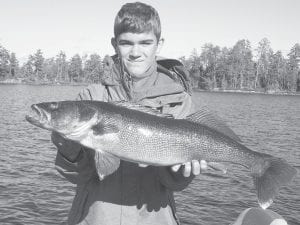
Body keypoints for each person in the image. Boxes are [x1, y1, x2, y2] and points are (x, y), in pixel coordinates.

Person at [51, 2, 206, 225]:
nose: (135, 52)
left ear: (159, 44)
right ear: (115, 44)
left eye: (145, 42)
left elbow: (175, 184)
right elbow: (78, 176)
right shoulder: (92, 97)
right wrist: (68, 149)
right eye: (126, 43)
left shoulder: (179, 101)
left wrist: (184, 172)